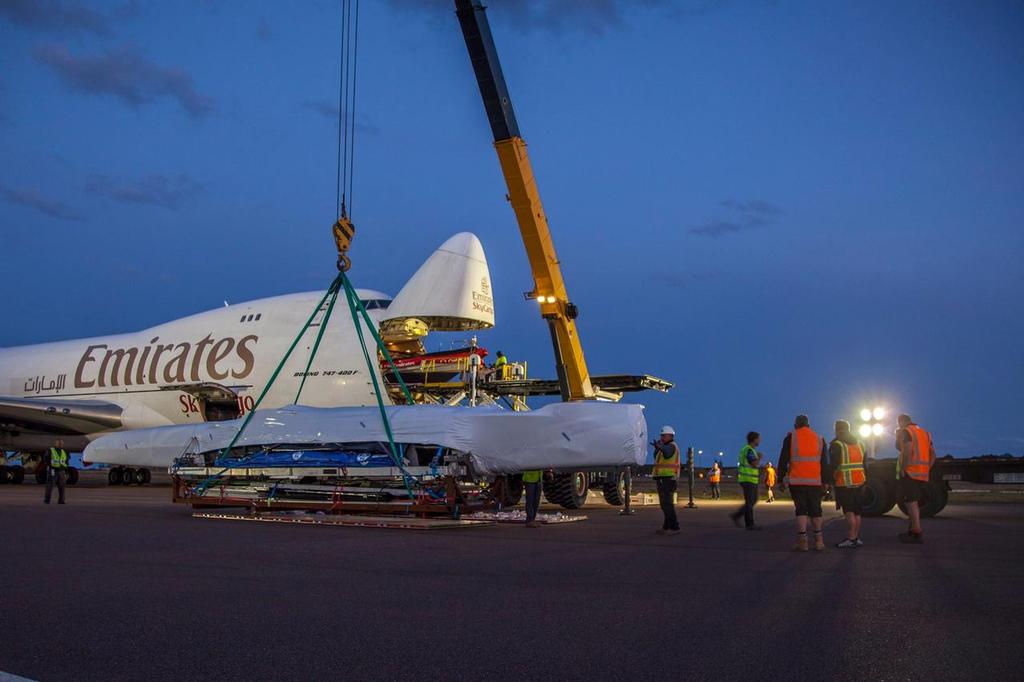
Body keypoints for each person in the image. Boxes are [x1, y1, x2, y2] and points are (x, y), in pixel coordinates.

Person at [778, 415, 828, 551]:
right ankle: (819, 541)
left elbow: (783, 460)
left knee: (801, 510)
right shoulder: (820, 439)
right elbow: (825, 463)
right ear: (808, 425)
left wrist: (780, 479)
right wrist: (826, 482)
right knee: (816, 511)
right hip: (815, 482)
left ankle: (803, 542)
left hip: (797, 481)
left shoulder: (790, 438)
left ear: (796, 425)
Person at [895, 413, 936, 544]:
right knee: (913, 502)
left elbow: (907, 450)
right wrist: (926, 468)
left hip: (910, 472)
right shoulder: (925, 433)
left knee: (910, 502)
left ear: (901, 422)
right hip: (921, 473)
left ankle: (916, 532)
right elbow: (933, 455)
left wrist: (903, 468)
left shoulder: (907, 432)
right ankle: (912, 529)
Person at [827, 420, 866, 548]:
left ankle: (850, 537)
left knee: (848, 511)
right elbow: (864, 465)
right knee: (857, 511)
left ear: (837, 430)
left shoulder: (837, 445)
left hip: (844, 483)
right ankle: (856, 537)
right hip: (860, 482)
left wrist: (828, 480)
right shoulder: (860, 444)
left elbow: (833, 465)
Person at [651, 425, 681, 535]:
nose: (662, 437)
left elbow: (668, 454)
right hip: (663, 478)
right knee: (665, 504)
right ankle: (666, 527)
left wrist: (660, 447)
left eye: (664, 435)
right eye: (661, 435)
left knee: (667, 504)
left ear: (670, 436)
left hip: (668, 478)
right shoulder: (664, 446)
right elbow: (657, 457)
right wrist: (658, 448)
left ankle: (674, 527)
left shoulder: (671, 446)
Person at [729, 432, 762, 530]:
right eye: (759, 438)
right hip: (748, 480)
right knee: (751, 502)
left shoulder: (748, 450)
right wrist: (759, 457)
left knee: (751, 501)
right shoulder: (749, 450)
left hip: (749, 479)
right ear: (754, 439)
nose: (760, 440)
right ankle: (738, 517)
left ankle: (749, 523)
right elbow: (754, 463)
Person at [44, 438, 69, 505]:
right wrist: (50, 466)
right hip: (53, 470)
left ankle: (61, 501)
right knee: (50, 486)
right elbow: (46, 459)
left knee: (62, 487)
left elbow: (66, 461)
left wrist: (66, 470)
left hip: (61, 471)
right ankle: (47, 500)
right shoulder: (50, 450)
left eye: (62, 443)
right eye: (59, 443)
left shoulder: (65, 451)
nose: (61, 444)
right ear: (56, 443)